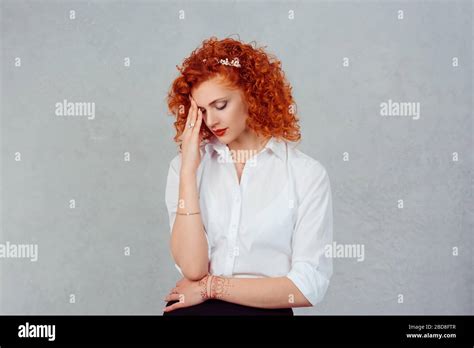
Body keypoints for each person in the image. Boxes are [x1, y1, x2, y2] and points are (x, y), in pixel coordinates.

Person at [162, 36, 333, 315]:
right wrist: (187, 173)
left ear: (251, 96)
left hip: (265, 311)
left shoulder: (305, 175)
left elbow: (307, 286)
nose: (211, 121)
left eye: (220, 105)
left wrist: (212, 288)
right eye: (202, 110)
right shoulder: (185, 167)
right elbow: (193, 269)